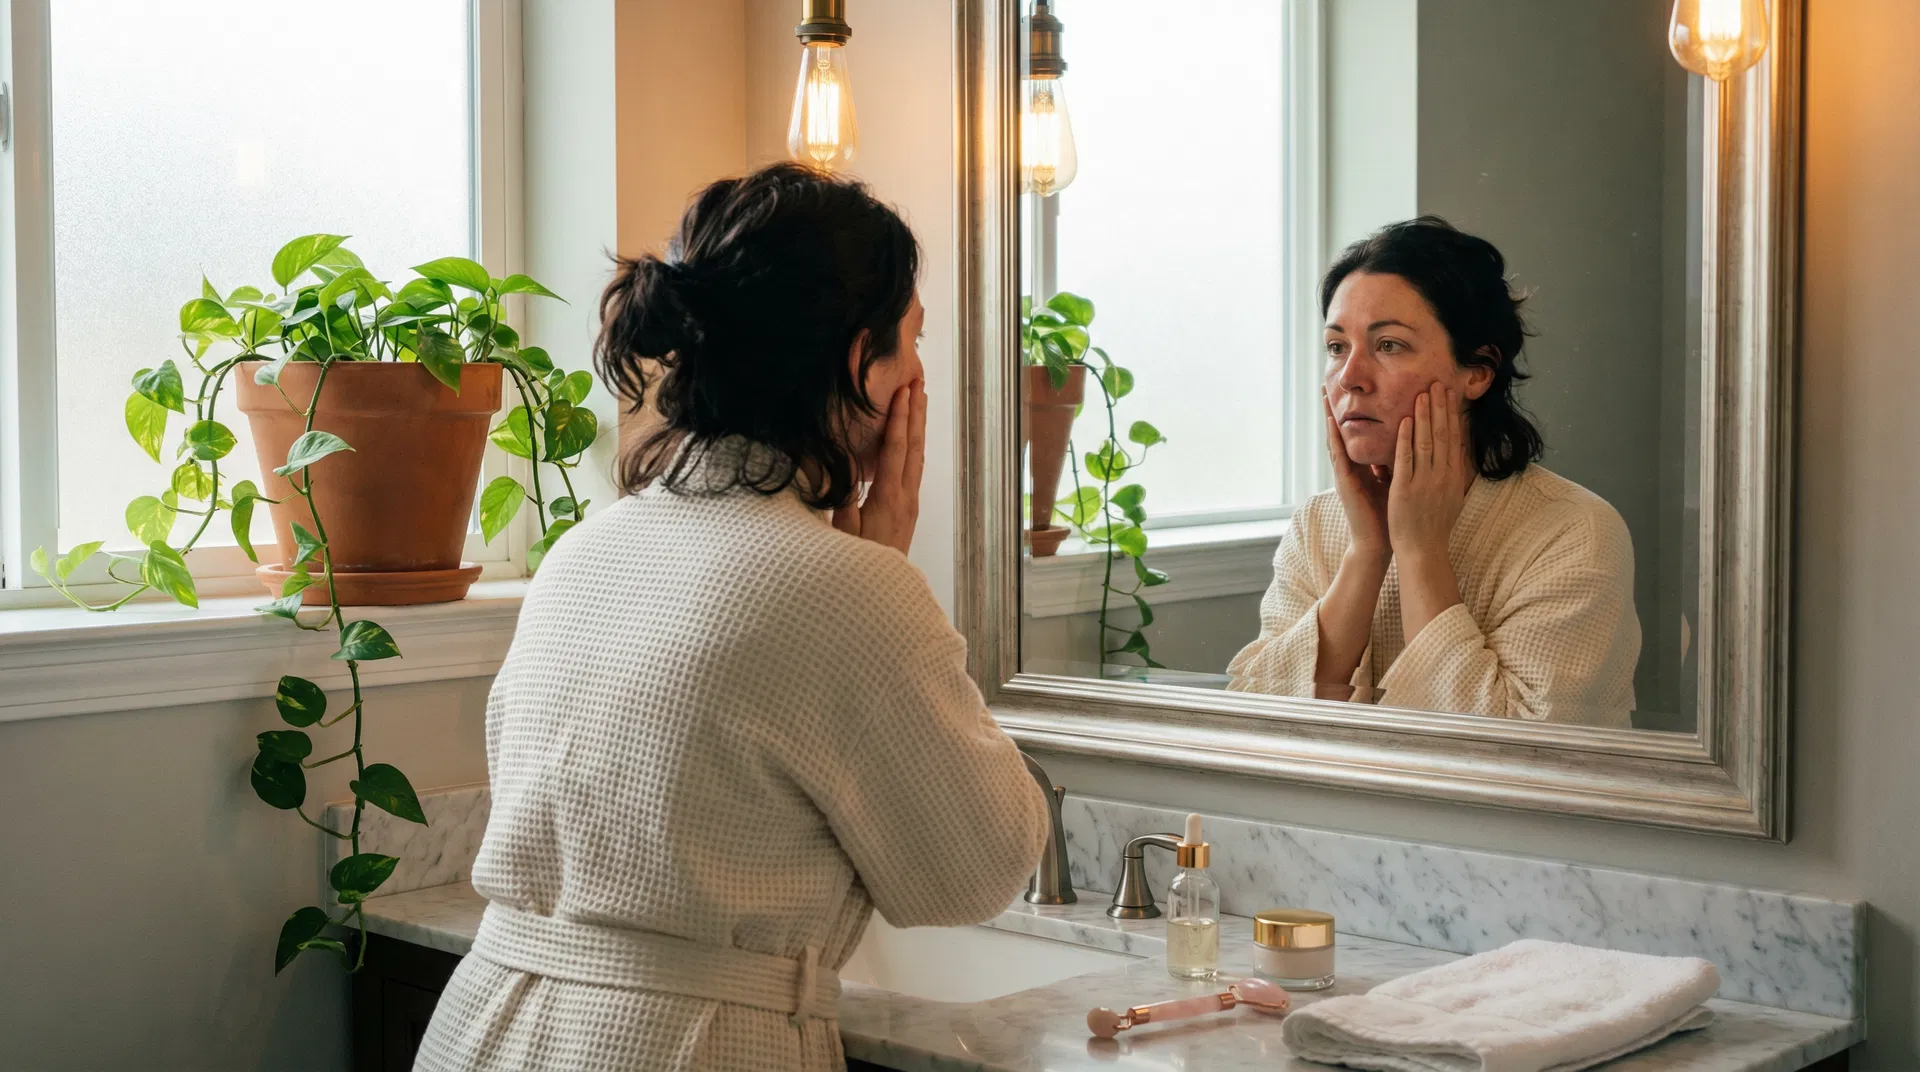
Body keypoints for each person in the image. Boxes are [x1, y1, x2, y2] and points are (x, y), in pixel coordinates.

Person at [416, 163, 1050, 1072]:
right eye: (910, 341)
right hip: (679, 1049)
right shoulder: (849, 592)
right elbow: (978, 868)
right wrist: (878, 569)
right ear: (853, 361)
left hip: (483, 1026)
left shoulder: (584, 555)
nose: (919, 374)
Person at [1226, 217, 1640, 726]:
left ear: (1477, 372)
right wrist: (1367, 551)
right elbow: (1255, 724)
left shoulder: (1574, 533)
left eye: (1389, 345)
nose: (1349, 377)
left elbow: (1522, 757)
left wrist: (1421, 551)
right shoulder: (1317, 524)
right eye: (1337, 347)